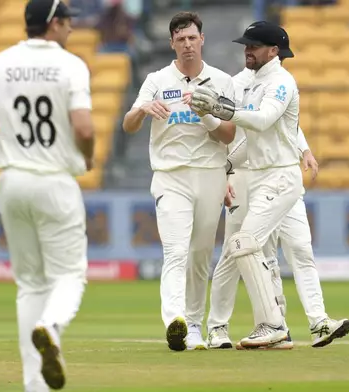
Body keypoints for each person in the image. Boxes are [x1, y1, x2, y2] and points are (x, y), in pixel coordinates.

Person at [0, 0, 93, 390]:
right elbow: (83, 128)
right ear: (54, 24)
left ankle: (35, 384)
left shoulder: (1, 61)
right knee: (69, 275)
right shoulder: (70, 64)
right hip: (54, 180)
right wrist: (88, 157)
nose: (70, 28)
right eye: (67, 22)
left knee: (30, 284)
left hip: (12, 180)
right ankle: (50, 325)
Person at [122, 11, 236, 352]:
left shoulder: (221, 81)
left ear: (202, 40)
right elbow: (128, 124)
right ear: (172, 43)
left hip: (210, 175)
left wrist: (206, 114)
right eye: (181, 39)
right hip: (170, 177)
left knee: (200, 255)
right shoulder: (157, 80)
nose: (187, 45)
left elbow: (230, 134)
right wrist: (142, 110)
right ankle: (176, 320)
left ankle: (196, 327)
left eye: (192, 38)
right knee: (175, 250)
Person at [190, 21, 303, 349]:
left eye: (254, 46)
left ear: (273, 51)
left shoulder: (282, 82)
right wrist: (223, 163)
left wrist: (222, 109)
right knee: (243, 249)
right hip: (254, 174)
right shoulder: (244, 81)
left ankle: (273, 325)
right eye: (246, 45)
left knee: (243, 242)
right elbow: (239, 136)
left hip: (281, 175)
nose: (247, 51)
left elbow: (263, 119)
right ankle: (248, 329)